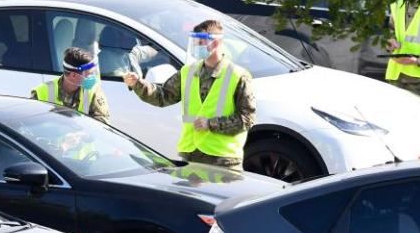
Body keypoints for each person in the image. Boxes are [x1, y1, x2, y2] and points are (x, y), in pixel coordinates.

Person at [123, 19, 256, 171]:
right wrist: (138, 84)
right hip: (191, 156)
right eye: (195, 41)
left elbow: (247, 119)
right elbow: (162, 96)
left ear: (217, 43)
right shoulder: (188, 72)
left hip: (223, 160)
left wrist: (211, 124)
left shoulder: (238, 75)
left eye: (201, 42)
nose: (197, 46)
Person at [32, 47, 110, 124]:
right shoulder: (41, 92)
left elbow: (103, 121)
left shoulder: (93, 91)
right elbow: (30, 121)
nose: (93, 78)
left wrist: (82, 134)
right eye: (89, 74)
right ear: (73, 75)